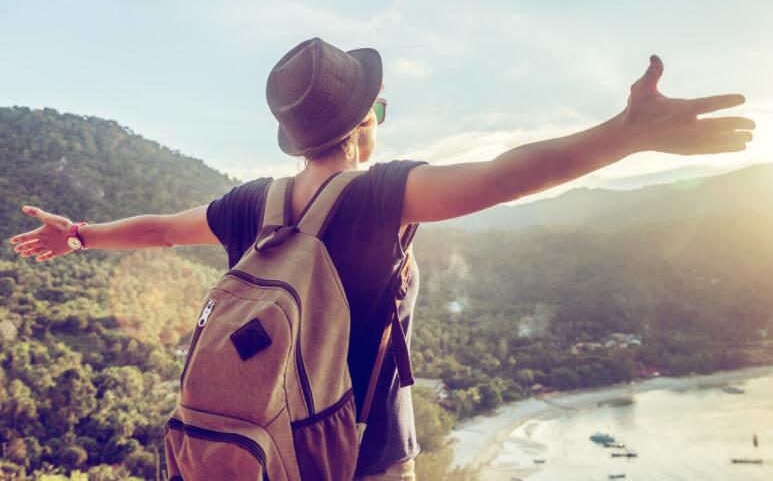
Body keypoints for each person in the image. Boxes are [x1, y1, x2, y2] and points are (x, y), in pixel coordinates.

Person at [8, 37, 754, 480]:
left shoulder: (250, 204)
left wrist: (79, 233)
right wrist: (623, 133)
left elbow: (161, 233)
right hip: (357, 450)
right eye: (382, 110)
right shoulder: (377, 197)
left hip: (262, 447)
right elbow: (502, 176)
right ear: (364, 124)